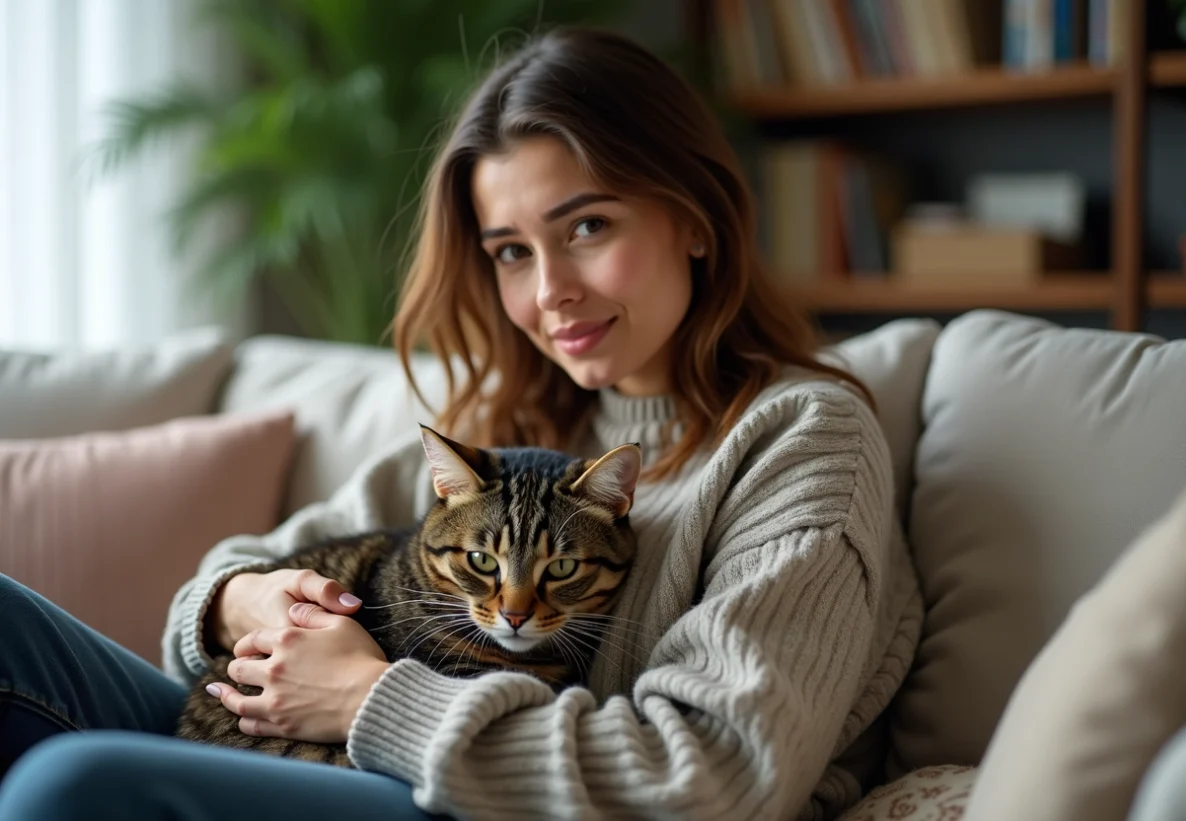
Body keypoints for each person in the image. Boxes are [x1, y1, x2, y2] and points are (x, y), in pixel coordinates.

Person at [0, 26, 922, 820]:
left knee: (72, 785)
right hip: (324, 752)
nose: (550, 290)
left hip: (492, 800)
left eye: (589, 227)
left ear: (696, 218)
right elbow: (214, 591)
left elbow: (714, 781)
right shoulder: (506, 424)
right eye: (512, 252)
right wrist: (245, 602)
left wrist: (366, 696)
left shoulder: (804, 440)